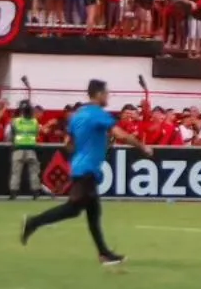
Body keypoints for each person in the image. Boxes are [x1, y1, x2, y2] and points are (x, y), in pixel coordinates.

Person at [20, 80, 147, 265]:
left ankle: (104, 253)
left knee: (93, 213)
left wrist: (88, 149)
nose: (108, 97)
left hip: (81, 167)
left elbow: (68, 144)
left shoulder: (78, 116)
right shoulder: (98, 115)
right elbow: (121, 135)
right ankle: (33, 222)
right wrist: (143, 147)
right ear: (99, 94)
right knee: (73, 209)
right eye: (106, 93)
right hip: (87, 170)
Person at [8, 100, 42, 200]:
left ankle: (13, 193)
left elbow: (12, 134)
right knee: (34, 172)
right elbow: (36, 134)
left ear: (22, 111)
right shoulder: (35, 122)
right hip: (31, 150)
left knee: (16, 172)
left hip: (18, 149)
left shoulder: (15, 121)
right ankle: (35, 193)